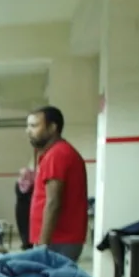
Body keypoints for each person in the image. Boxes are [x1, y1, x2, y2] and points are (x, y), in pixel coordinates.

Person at [26, 105, 88, 261]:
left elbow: (53, 202)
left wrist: (42, 245)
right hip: (58, 240)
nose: (28, 131)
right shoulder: (55, 153)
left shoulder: (57, 154)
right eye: (28, 126)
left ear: (52, 127)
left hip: (58, 240)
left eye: (34, 126)